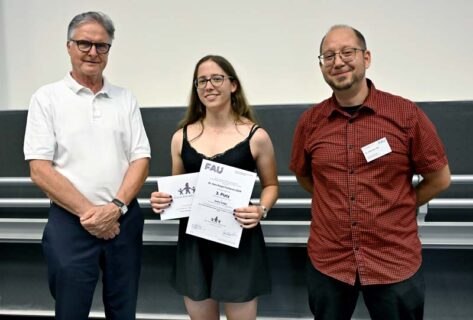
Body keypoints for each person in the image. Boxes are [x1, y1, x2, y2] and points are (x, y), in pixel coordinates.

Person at [290, 25, 451, 320]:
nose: (337, 62)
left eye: (347, 52)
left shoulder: (405, 114)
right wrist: (335, 200)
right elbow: (304, 175)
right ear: (322, 65)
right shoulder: (310, 122)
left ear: (367, 57)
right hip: (330, 260)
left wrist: (399, 204)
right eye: (328, 56)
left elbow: (440, 178)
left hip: (392, 259)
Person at [23, 11, 150, 320]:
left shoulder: (125, 99)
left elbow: (140, 158)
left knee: (123, 311)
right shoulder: (46, 98)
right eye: (84, 44)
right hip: (70, 223)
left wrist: (115, 208)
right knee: (70, 311)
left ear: (109, 51)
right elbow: (39, 168)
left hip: (123, 219)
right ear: (69, 47)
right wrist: (91, 215)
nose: (93, 52)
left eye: (102, 46)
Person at [150, 55, 278, 320]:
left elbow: (271, 185)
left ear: (233, 85)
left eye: (217, 78)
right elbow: (177, 192)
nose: (209, 86)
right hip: (194, 244)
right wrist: (163, 201)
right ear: (196, 89)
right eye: (202, 81)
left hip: (238, 240)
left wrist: (261, 209)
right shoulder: (181, 138)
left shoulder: (256, 136)